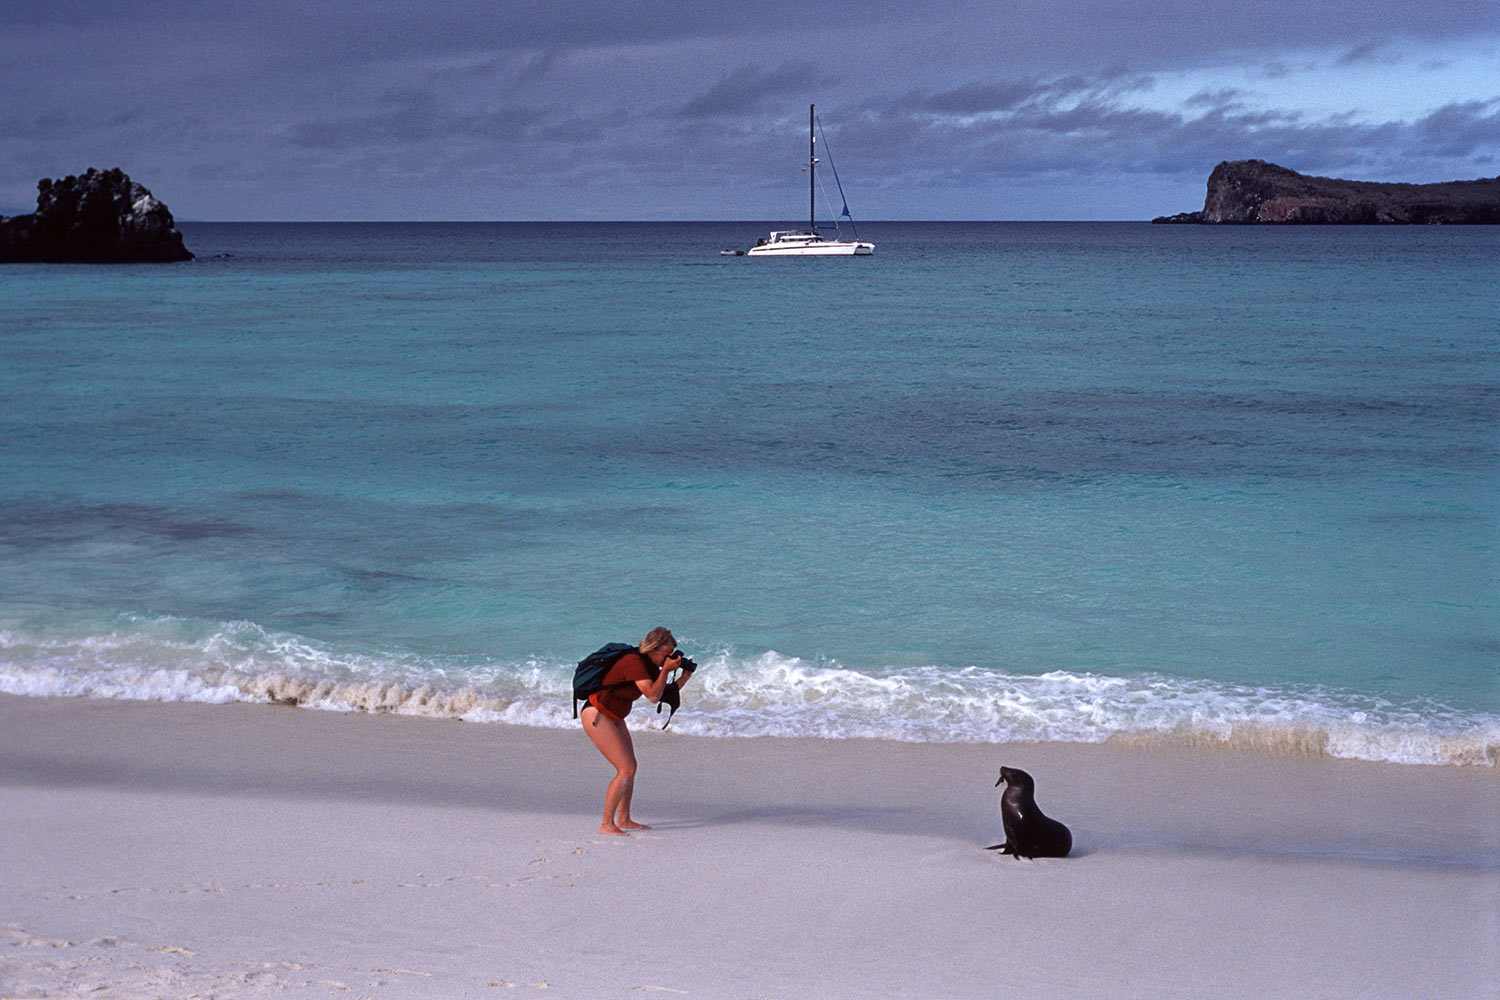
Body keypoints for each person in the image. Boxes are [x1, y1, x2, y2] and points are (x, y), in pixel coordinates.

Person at [579, 626, 692, 836]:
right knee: (626, 769)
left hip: (615, 718)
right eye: (667, 654)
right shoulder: (634, 662)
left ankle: (623, 819)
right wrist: (667, 670)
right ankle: (606, 824)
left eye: (672, 654)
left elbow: (663, 693)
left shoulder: (650, 667)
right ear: (654, 649)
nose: (670, 658)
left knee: (631, 767)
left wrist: (684, 675)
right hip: (597, 715)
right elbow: (651, 695)